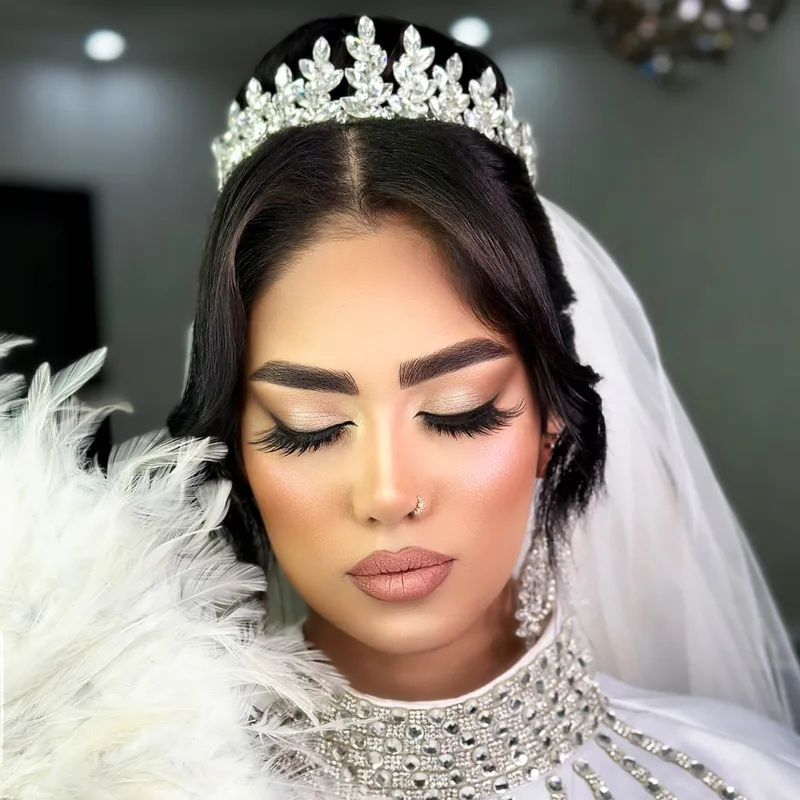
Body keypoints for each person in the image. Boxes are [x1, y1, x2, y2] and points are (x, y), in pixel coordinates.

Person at [1, 15, 799, 800]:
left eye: (459, 412)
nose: (387, 493)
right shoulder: (129, 780)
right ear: (234, 444)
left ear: (552, 421)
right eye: (308, 430)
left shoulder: (747, 778)